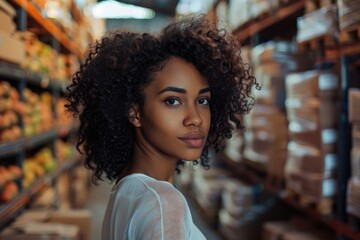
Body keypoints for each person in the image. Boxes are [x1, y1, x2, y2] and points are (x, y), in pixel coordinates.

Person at [66, 15, 258, 240]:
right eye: (173, 101)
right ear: (135, 113)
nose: (195, 118)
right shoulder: (163, 203)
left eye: (202, 100)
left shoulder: (126, 190)